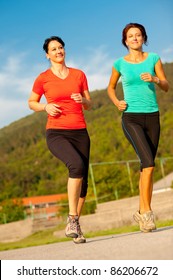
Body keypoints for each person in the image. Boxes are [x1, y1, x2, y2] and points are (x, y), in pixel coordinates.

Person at [28, 36, 92, 243]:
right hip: (56, 132)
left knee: (84, 182)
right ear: (47, 54)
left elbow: (89, 103)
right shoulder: (42, 78)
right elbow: (31, 102)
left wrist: (82, 100)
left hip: (80, 131)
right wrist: (45, 106)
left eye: (61, 47)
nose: (58, 51)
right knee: (76, 165)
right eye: (53, 49)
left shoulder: (78, 74)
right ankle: (72, 219)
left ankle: (75, 227)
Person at [107, 23, 169, 233]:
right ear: (125, 41)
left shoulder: (153, 58)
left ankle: (142, 213)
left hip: (152, 116)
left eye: (138, 35)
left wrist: (155, 79)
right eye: (130, 36)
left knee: (146, 168)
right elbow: (110, 87)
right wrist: (117, 102)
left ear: (143, 38)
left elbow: (166, 86)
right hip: (131, 117)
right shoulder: (119, 64)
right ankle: (147, 213)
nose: (134, 38)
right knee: (149, 163)